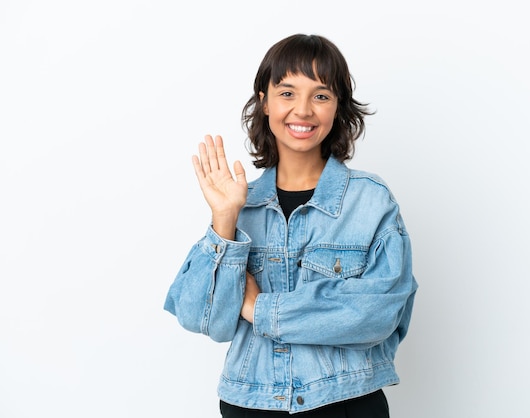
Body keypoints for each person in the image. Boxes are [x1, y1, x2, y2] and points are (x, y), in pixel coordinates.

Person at [164, 33, 418, 417]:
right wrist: (224, 220)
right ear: (264, 102)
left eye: (321, 95)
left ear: (337, 108)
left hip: (345, 402)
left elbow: (375, 316)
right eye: (287, 93)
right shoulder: (240, 204)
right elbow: (201, 318)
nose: (303, 110)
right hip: (250, 404)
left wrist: (258, 309)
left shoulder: (369, 201)